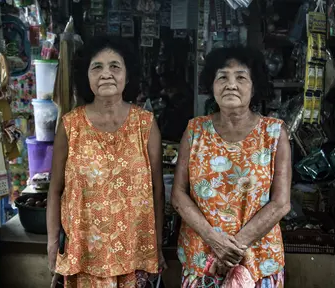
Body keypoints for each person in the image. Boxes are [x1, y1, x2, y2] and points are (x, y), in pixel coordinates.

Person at [47, 36, 167, 288]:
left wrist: (157, 245)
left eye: (115, 66)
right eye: (97, 67)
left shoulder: (145, 124)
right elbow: (55, 189)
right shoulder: (70, 125)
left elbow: (158, 190)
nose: (106, 74)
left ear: (127, 74)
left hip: (135, 255)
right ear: (86, 76)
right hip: (84, 256)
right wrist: (51, 243)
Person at [171, 46, 291, 287]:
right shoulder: (195, 131)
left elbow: (281, 203)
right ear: (212, 84)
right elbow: (178, 195)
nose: (231, 84)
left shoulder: (274, 133)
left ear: (254, 86)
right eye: (222, 77)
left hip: (257, 263)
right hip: (202, 260)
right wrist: (214, 240)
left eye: (241, 77)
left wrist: (234, 247)